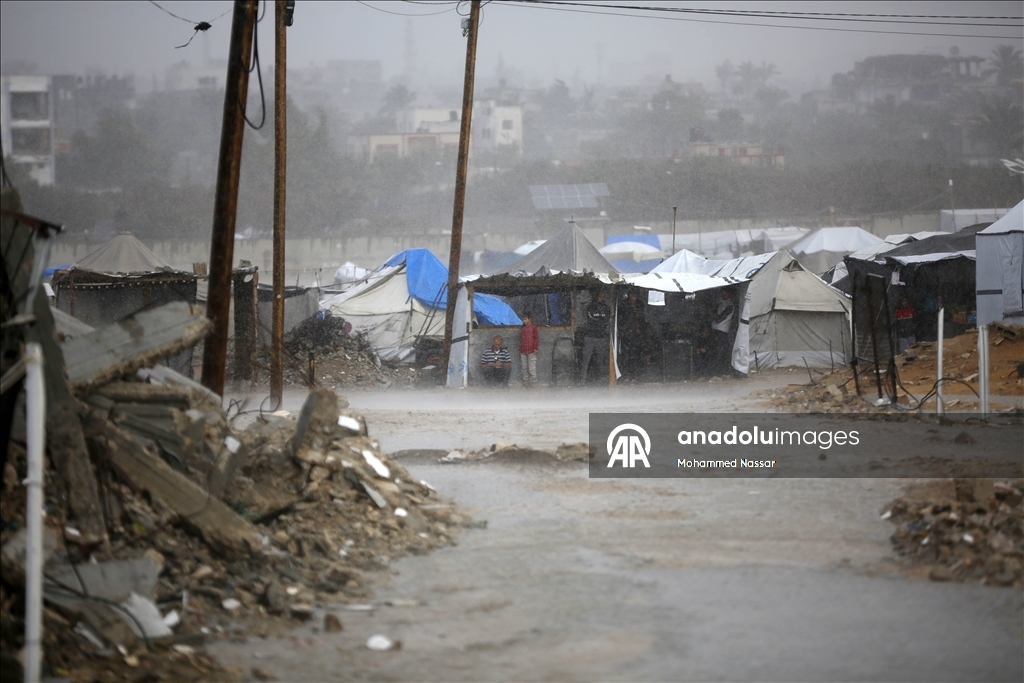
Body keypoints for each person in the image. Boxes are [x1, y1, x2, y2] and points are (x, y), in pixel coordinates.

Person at [580, 290, 610, 384]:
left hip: (601, 337)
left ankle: (602, 379)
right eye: (600, 296)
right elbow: (591, 319)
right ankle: (582, 380)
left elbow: (607, 320)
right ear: (596, 297)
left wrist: (600, 319)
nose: (602, 298)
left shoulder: (606, 307)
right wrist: (600, 318)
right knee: (586, 359)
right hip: (590, 336)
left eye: (603, 296)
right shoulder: (590, 307)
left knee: (601, 359)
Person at [710, 288, 734, 375]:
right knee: (715, 351)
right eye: (723, 292)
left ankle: (719, 371)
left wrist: (714, 316)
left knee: (720, 352)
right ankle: (715, 371)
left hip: (722, 331)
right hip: (716, 329)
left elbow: (719, 319)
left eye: (726, 292)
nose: (724, 294)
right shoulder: (721, 303)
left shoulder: (729, 305)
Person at [519, 312, 539, 387]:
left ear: (530, 319)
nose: (524, 321)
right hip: (523, 350)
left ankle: (534, 381)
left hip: (531, 350)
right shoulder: (523, 329)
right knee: (524, 367)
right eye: (523, 319)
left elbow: (536, 338)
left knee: (531, 368)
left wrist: (535, 348)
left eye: (525, 319)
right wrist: (520, 349)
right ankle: (526, 381)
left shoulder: (533, 328)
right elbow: (521, 340)